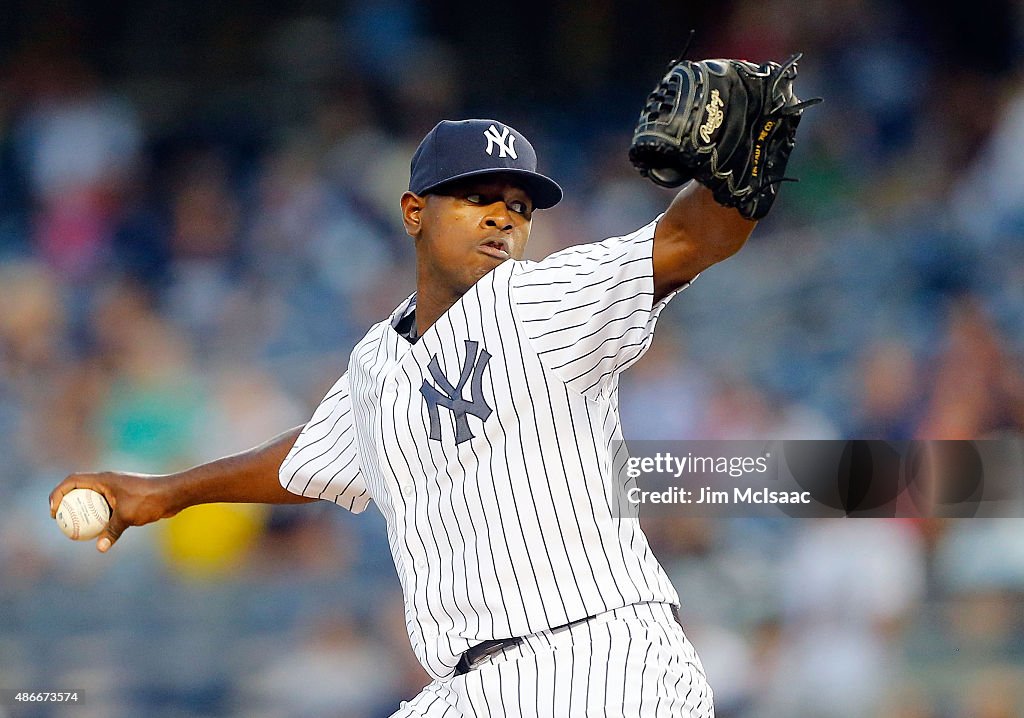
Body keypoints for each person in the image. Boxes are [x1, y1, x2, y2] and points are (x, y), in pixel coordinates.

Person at [51, 116, 755, 717]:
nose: (502, 215)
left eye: (518, 205)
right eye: (476, 196)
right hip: (474, 687)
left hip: (597, 659)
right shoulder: (377, 363)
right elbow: (313, 458)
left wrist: (748, 147)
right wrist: (163, 493)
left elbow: (692, 239)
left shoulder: (541, 298)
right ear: (414, 211)